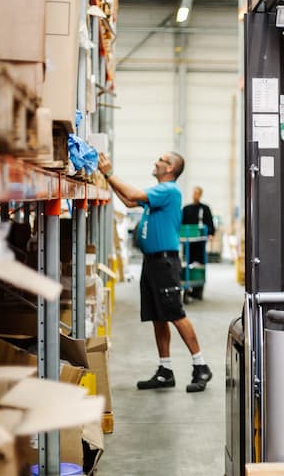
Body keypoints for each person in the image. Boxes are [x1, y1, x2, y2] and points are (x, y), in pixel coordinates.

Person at [98, 151, 213, 393]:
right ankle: (165, 370)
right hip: (151, 263)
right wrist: (106, 178)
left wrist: (108, 172)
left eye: (161, 160)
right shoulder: (157, 194)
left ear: (170, 169)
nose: (156, 162)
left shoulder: (168, 190)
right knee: (158, 317)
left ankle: (200, 365)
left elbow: (132, 194)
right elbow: (130, 202)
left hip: (165, 263)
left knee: (175, 313)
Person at [181, 186, 216, 300]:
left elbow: (210, 223)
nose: (195, 195)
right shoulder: (186, 209)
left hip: (200, 243)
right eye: (194, 193)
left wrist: (210, 233)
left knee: (200, 264)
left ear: (200, 195)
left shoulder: (205, 209)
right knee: (187, 264)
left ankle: (198, 290)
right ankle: (188, 288)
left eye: (198, 193)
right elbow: (181, 223)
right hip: (188, 243)